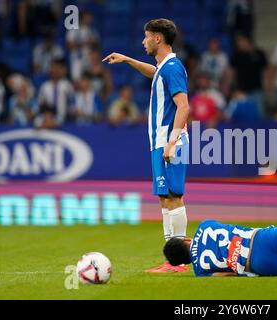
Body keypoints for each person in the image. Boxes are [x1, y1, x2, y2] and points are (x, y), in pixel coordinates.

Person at [103, 18, 190, 273]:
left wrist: (172, 141)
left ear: (158, 39)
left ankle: (180, 261)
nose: (143, 41)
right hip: (160, 140)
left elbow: (184, 106)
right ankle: (171, 260)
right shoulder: (164, 67)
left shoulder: (173, 68)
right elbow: (154, 73)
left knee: (174, 196)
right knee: (165, 199)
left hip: (169, 139)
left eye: (146, 36)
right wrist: (128, 60)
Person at [37, 59, 74, 126]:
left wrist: (69, 113)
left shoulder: (67, 85)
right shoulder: (45, 86)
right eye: (53, 69)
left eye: (57, 69)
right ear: (50, 71)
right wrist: (47, 115)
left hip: (63, 117)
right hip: (47, 116)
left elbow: (72, 101)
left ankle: (50, 125)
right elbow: (40, 103)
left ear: (60, 71)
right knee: (37, 122)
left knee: (56, 121)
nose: (55, 71)